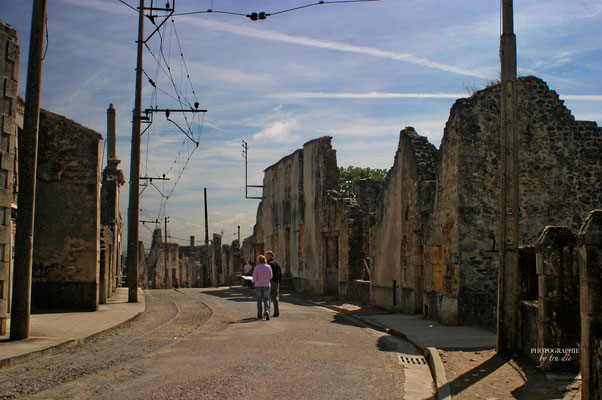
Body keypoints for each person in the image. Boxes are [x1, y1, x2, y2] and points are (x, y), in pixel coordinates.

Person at [252, 255, 272, 320]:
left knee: (259, 300)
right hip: (266, 285)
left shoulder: (257, 267)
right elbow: (271, 276)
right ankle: (267, 311)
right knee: (266, 299)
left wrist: (253, 281)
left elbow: (254, 278)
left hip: (258, 285)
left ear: (258, 260)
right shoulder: (268, 267)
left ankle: (259, 315)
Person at [266, 251, 282, 317]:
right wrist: (279, 281)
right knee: (275, 298)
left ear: (270, 256)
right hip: (276, 282)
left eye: (267, 256)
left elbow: (267, 274)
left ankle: (267, 312)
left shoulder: (269, 264)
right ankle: (276, 312)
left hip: (270, 282)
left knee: (267, 297)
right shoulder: (277, 263)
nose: (266, 257)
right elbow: (280, 273)